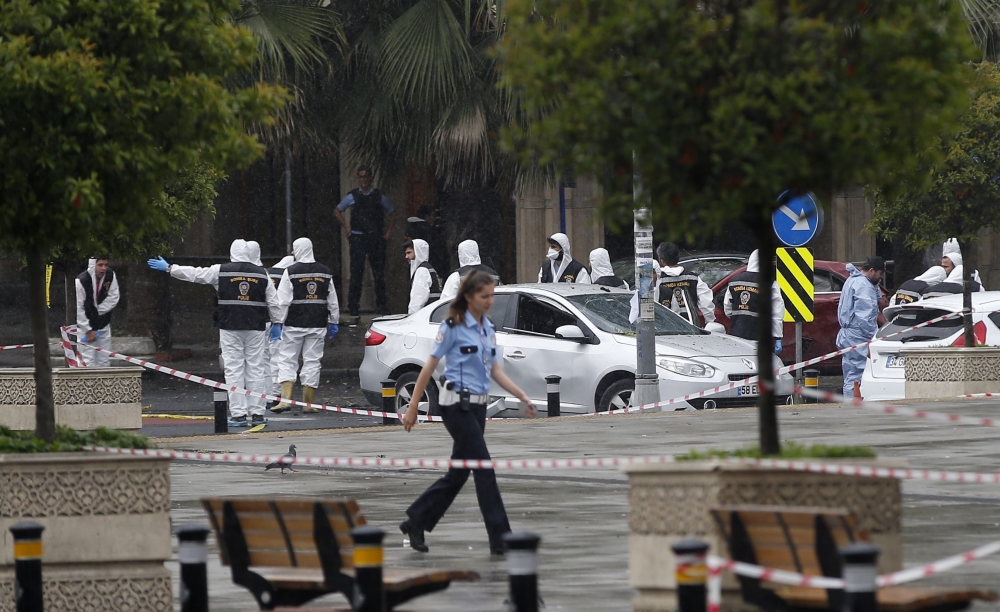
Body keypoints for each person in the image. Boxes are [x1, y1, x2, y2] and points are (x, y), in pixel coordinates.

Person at [399, 271, 537, 556]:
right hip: (455, 405)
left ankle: (416, 521)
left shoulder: (488, 328)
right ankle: (500, 538)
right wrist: (413, 406)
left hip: (477, 407)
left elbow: (495, 370)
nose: (490, 301)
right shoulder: (452, 326)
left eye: (492, 295)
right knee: (484, 469)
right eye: (485, 296)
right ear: (470, 296)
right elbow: (428, 367)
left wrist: (522, 395)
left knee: (459, 473)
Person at [147, 240, 281, 426]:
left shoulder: (221, 271)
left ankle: (239, 414)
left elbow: (196, 274)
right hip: (255, 327)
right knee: (256, 369)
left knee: (234, 369)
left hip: (230, 326)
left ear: (232, 253)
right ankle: (257, 413)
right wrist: (277, 322)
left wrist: (170, 268)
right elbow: (274, 301)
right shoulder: (262, 273)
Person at [271, 237, 340, 414]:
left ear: (298, 250)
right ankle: (308, 403)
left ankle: (285, 400)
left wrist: (277, 322)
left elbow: (283, 301)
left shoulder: (291, 271)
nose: (292, 253)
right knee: (312, 361)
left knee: (287, 360)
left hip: (294, 324)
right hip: (317, 323)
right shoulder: (325, 272)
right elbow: (332, 300)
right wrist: (334, 321)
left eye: (294, 249)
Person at [333, 166, 394, 316]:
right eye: (361, 177)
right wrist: (347, 227)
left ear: (370, 178)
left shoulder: (378, 196)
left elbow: (392, 212)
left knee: (378, 274)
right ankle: (353, 306)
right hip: (358, 237)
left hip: (375, 237)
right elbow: (337, 210)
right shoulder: (353, 196)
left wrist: (388, 232)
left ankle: (382, 306)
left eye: (366, 177)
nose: (363, 180)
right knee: (356, 273)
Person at [836, 256, 884, 398]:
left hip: (849, 335)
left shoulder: (853, 280)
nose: (881, 278)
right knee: (859, 374)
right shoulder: (864, 286)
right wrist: (875, 337)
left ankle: (849, 402)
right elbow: (865, 316)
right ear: (872, 271)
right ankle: (855, 404)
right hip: (859, 336)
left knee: (850, 374)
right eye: (880, 273)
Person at [722, 250, 784, 353]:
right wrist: (777, 336)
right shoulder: (769, 282)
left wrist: (739, 319)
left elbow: (727, 307)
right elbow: (777, 311)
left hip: (737, 333)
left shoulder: (734, 280)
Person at [656, 242, 715, 327]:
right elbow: (707, 304)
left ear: (662, 261)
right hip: (691, 327)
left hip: (665, 328)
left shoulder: (657, 279)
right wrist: (710, 323)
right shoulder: (694, 278)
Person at [75, 257, 120, 367]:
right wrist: (87, 329)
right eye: (100, 265)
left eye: (106, 265)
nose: (103, 268)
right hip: (86, 325)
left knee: (104, 360)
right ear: (93, 265)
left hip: (103, 323)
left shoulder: (110, 275)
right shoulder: (82, 280)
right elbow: (80, 308)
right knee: (86, 362)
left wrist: (96, 311)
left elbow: (114, 297)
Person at [265, 254, 296, 406]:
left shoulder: (267, 272)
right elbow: (283, 301)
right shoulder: (289, 274)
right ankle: (274, 395)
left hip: (262, 321)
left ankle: (262, 395)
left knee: (262, 360)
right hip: (279, 321)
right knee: (277, 358)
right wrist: (279, 321)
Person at [404, 239, 442, 314]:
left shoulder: (422, 271)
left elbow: (418, 300)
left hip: (424, 315)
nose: (406, 256)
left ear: (418, 252)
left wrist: (411, 316)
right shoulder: (429, 269)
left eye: (409, 253)